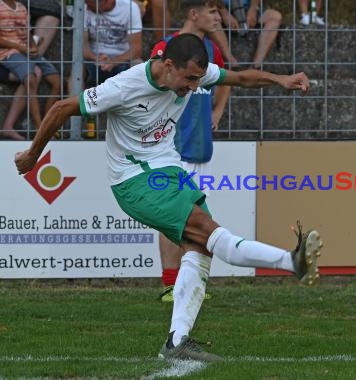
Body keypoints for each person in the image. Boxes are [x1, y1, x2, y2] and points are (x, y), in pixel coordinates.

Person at [15, 33, 323, 362]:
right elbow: (63, 107)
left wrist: (282, 79)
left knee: (201, 248)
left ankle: (177, 342)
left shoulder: (192, 74)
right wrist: (33, 155)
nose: (193, 87)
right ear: (168, 65)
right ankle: (291, 262)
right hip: (135, 181)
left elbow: (241, 77)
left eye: (197, 79)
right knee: (208, 231)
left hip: (168, 172)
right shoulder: (124, 86)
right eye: (189, 79)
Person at [150, 0, 231, 303]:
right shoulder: (165, 47)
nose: (218, 18)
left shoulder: (212, 50)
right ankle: (171, 284)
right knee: (173, 216)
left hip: (200, 142)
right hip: (173, 144)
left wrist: (219, 110)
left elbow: (226, 80)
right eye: (213, 12)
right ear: (193, 14)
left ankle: (188, 284)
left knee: (193, 217)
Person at [0, 0, 61, 140]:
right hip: (8, 53)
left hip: (24, 51)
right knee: (32, 77)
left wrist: (33, 46)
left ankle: (48, 122)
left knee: (56, 79)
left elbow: (27, 32)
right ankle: (39, 127)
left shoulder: (21, 7)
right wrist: (22, 48)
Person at [83, 0, 142, 88]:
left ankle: (136, 101)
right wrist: (96, 58)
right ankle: (75, 100)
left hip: (123, 58)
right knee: (76, 71)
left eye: (91, 5)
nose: (87, 7)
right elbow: (83, 47)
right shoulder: (82, 8)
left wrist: (113, 61)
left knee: (139, 66)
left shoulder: (129, 8)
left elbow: (136, 49)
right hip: (93, 57)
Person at [218, 0, 281, 69]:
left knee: (275, 16)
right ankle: (232, 64)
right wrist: (224, 13)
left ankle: (256, 65)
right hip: (220, 9)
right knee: (212, 22)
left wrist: (253, 9)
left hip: (246, 8)